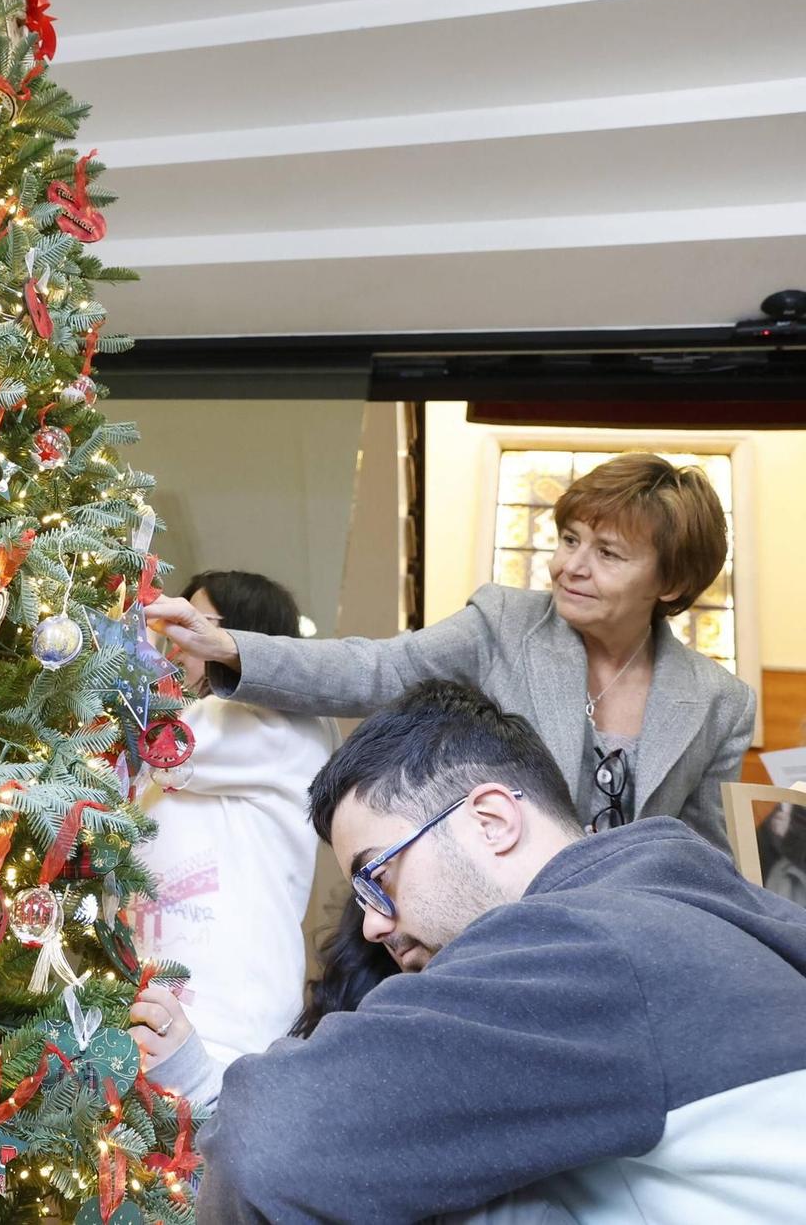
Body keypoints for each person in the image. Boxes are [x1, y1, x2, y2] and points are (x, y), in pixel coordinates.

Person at [171, 679, 806, 1223]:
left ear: (492, 820)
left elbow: (265, 1143)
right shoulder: (682, 912)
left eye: (377, 875)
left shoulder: (587, 944)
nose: (369, 927)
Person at [143, 453, 754, 848]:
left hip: (623, 948)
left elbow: (703, 855)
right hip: (493, 929)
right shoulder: (504, 624)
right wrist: (228, 646)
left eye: (609, 554)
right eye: (570, 539)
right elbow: (376, 668)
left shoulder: (720, 704)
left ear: (670, 583)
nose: (572, 566)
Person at [134, 571, 340, 1068]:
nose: (174, 649)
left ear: (242, 637)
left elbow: (165, 744)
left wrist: (124, 646)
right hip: (154, 1006)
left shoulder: (287, 723)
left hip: (231, 1019)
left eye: (191, 628)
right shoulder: (192, 730)